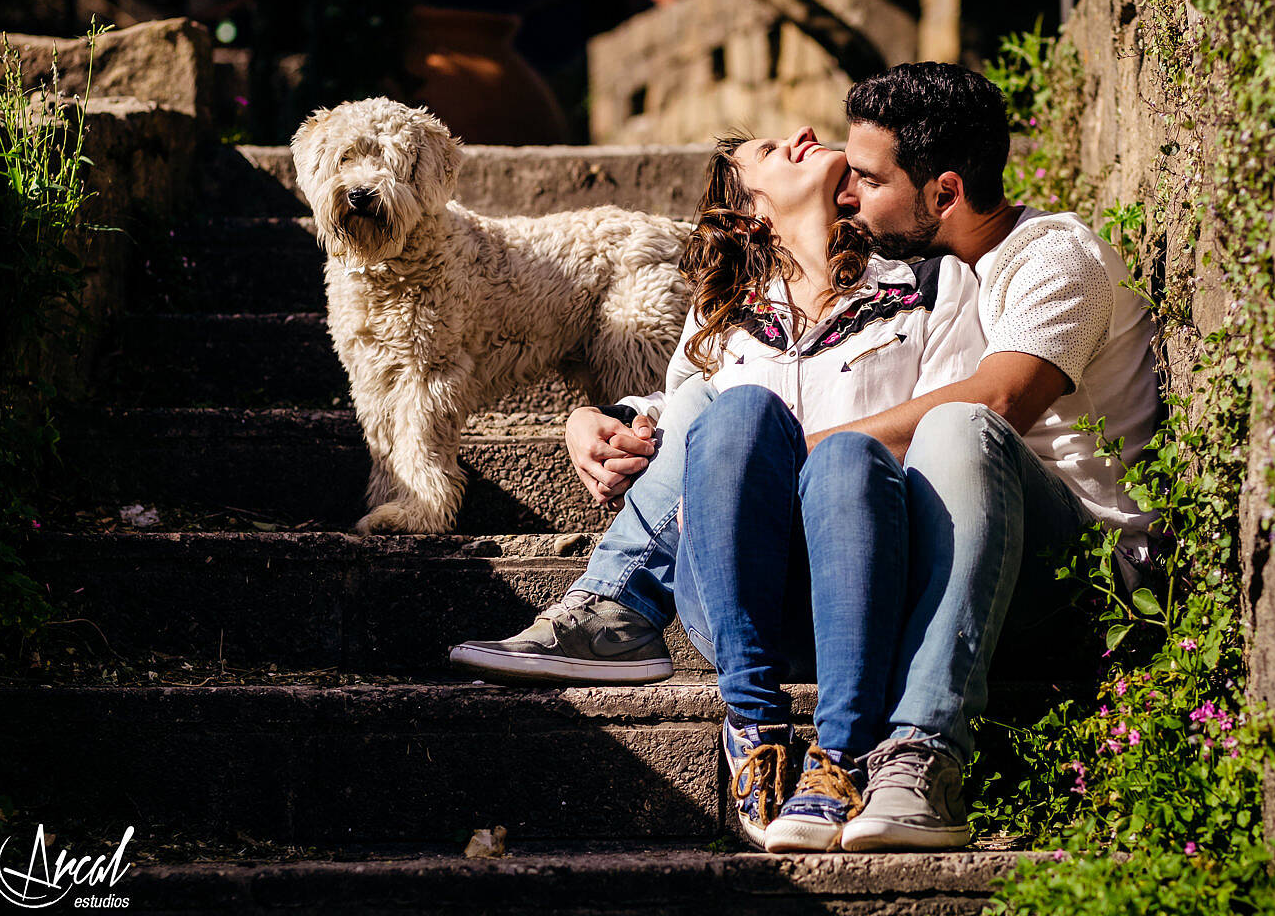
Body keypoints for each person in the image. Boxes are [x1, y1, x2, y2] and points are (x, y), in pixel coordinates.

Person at [453, 61, 1160, 853]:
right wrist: (609, 416)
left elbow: (990, 406)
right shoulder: (743, 307)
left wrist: (793, 458)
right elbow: (694, 407)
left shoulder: (1010, 267)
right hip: (837, 569)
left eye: (864, 177)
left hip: (1051, 568)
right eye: (844, 175)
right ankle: (655, 635)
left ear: (946, 193)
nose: (850, 193)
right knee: (722, 410)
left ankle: (918, 752)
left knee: (949, 430)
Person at [460, 125, 986, 852]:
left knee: (841, 460)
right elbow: (678, 414)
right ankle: (754, 720)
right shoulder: (724, 315)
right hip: (741, 611)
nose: (802, 132)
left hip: (870, 586)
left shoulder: (928, 287)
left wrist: (820, 457)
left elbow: (945, 435)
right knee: (732, 408)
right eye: (770, 150)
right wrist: (600, 418)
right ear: (754, 212)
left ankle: (837, 752)